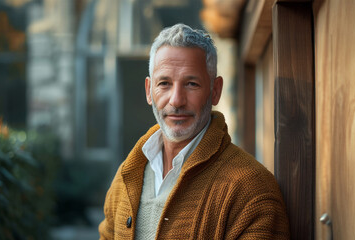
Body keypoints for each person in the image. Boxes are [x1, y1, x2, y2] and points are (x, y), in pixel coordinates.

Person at [98, 23, 290, 239]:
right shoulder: (126, 177)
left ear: (215, 90)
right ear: (149, 91)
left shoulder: (252, 190)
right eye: (164, 83)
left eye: (191, 84)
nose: (176, 100)